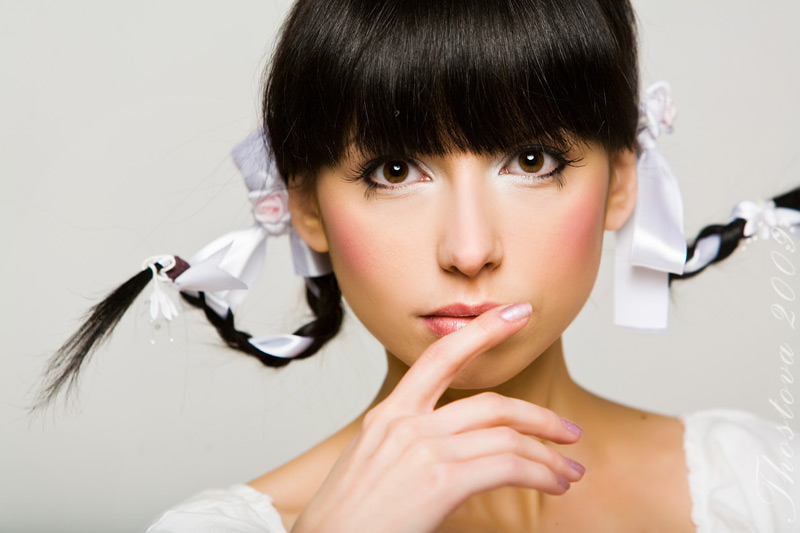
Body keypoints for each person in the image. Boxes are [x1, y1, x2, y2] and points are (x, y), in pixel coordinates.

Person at [34, 0, 800, 531]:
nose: (469, 251)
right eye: (395, 172)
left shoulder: (765, 488)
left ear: (622, 182)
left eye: (531, 160)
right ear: (305, 206)